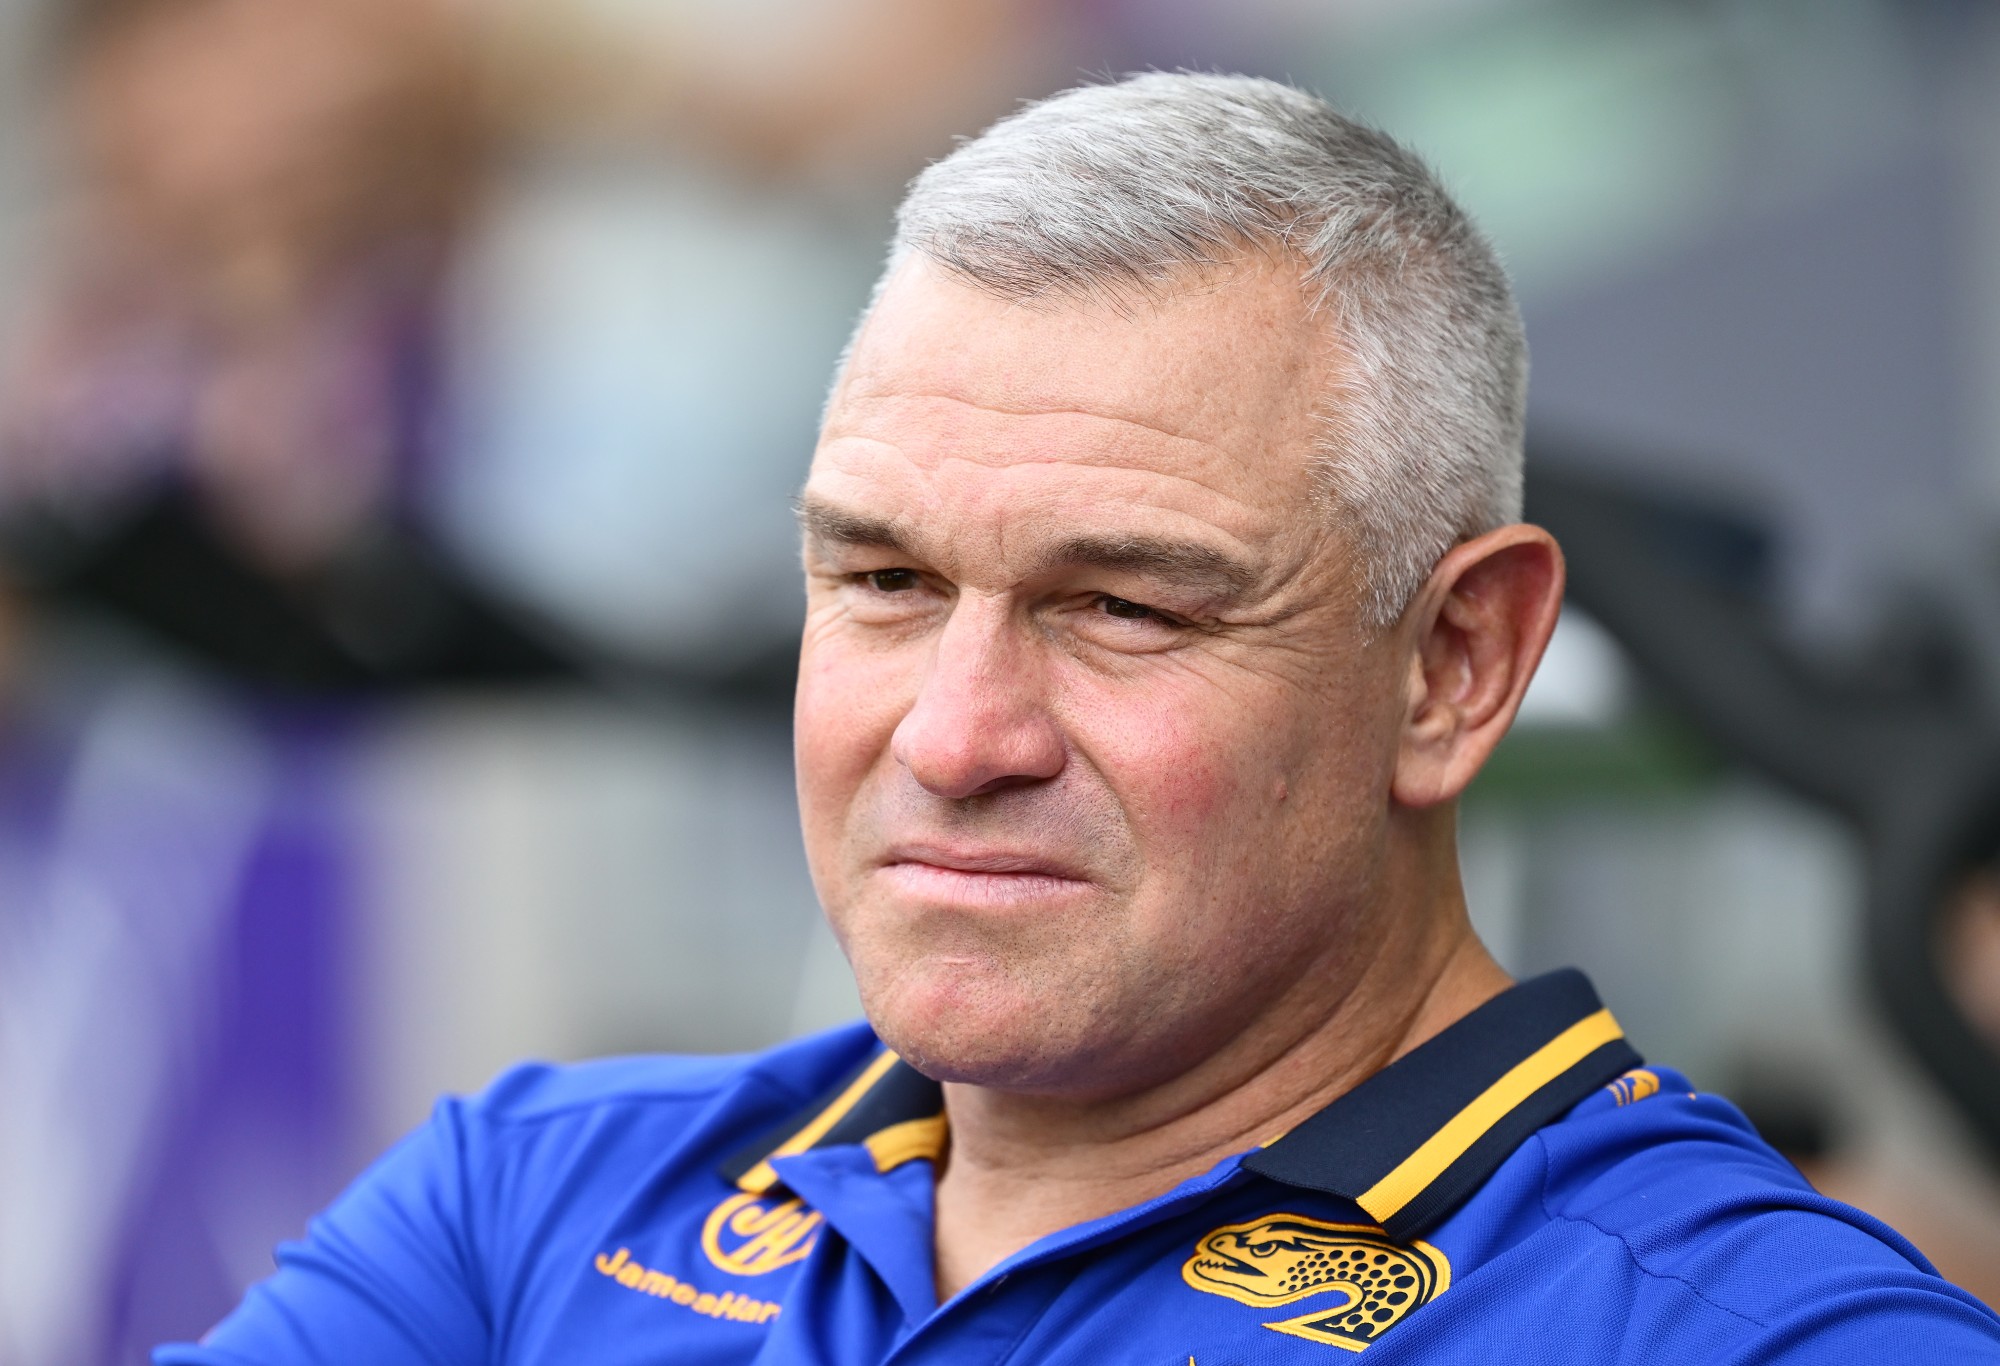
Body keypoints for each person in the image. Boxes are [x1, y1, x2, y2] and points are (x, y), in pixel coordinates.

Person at [155, 72, 2000, 1363]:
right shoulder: (524, 1204)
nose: (955, 738)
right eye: (885, 579)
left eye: (1123, 606)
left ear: (1454, 664)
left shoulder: (1747, 1332)